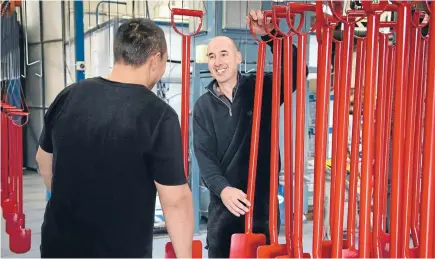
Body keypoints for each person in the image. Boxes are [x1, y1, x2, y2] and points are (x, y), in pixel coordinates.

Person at [35, 18, 194, 258]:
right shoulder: (158, 115)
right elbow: (175, 201)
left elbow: (42, 160)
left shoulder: (70, 94)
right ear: (155, 59)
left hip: (58, 246)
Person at [192, 9, 301, 258]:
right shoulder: (203, 106)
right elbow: (204, 156)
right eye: (211, 56)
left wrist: (270, 36)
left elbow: (296, 71)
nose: (217, 62)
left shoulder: (261, 88)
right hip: (223, 209)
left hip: (260, 205)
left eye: (223, 54)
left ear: (238, 57)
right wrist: (223, 189)